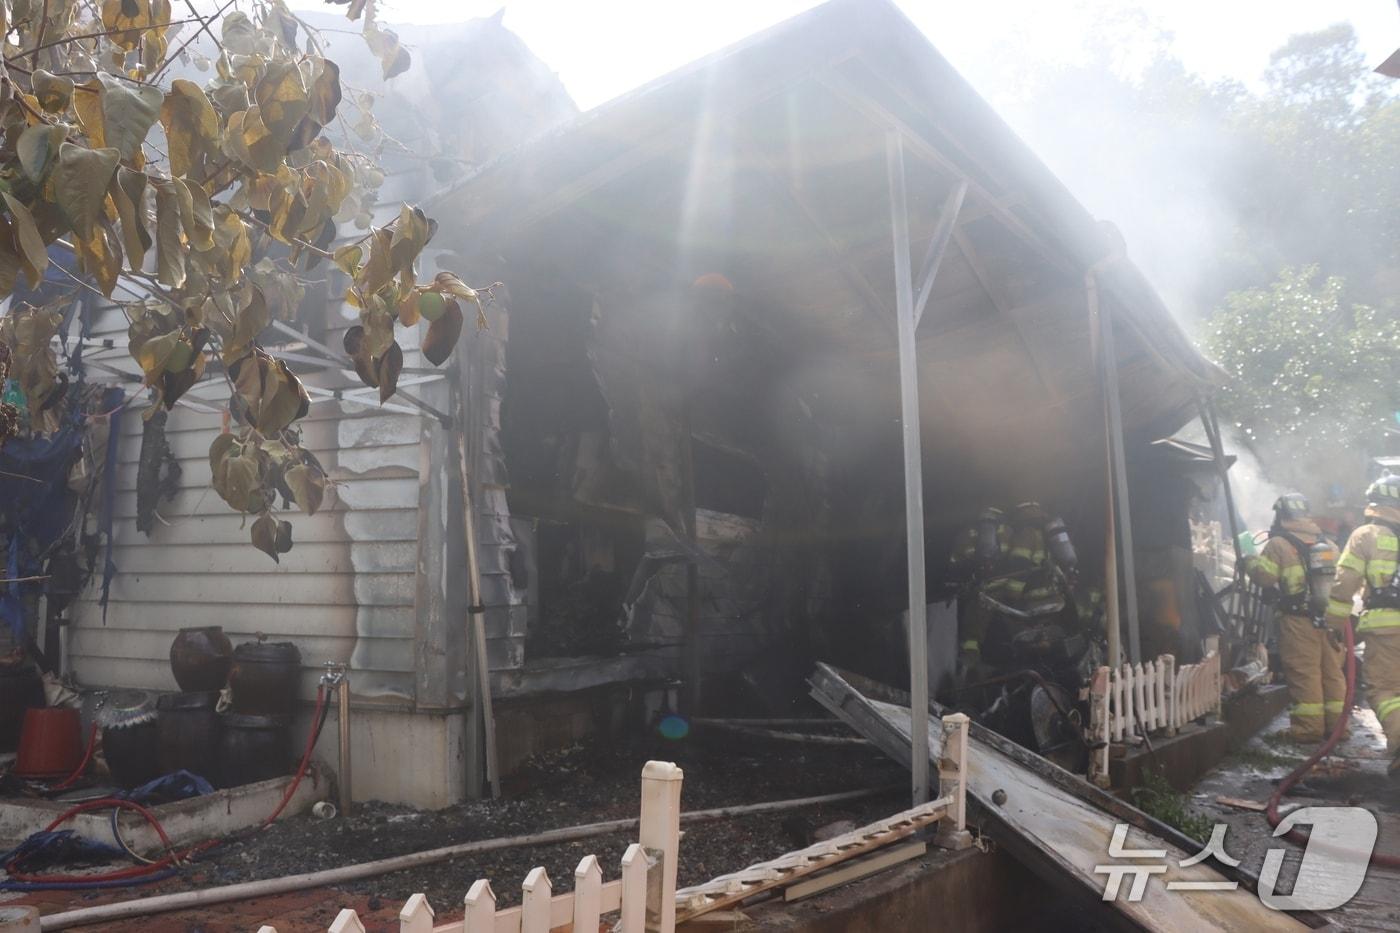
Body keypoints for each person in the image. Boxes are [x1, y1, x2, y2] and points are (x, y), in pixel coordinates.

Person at [1247, 493, 1345, 743]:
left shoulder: (1279, 544)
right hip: (1330, 620)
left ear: (1281, 515)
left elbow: (1265, 578)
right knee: (1332, 673)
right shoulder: (1329, 544)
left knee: (1305, 673)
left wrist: (1248, 562)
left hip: (1298, 619)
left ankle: (1308, 729)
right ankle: (1339, 728)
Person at [1326, 475, 1400, 774]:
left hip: (1387, 629)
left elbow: (1345, 584)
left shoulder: (1365, 535)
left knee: (1385, 690)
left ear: (1375, 503)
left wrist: (1334, 622)